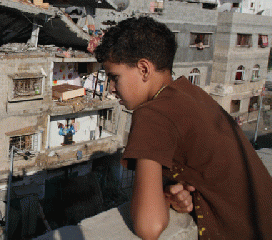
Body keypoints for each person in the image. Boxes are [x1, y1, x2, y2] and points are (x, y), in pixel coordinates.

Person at [94, 16, 272, 240]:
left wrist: (164, 199)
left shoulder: (152, 114)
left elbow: (150, 227)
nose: (111, 88)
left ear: (143, 69)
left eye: (114, 77)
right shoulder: (189, 93)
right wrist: (169, 193)